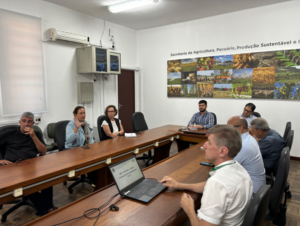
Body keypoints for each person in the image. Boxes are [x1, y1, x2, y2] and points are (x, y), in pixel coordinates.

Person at [160, 125, 252, 226]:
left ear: (222, 151)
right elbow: (209, 185)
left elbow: (216, 185)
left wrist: (190, 209)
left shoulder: (217, 183)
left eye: (209, 142)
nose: (204, 145)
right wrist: (179, 185)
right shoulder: (238, 167)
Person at [0, 112, 57, 216]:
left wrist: (34, 136)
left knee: (48, 178)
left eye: (29, 121)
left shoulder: (36, 134)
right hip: (13, 166)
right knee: (27, 184)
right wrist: (0, 160)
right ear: (20, 122)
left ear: (33, 123)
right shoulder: (9, 134)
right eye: (24, 121)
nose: (26, 124)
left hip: (32, 164)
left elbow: (43, 151)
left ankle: (46, 208)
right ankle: (47, 209)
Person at [227, 116, 266, 193]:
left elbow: (227, 167)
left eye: (229, 128)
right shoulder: (248, 138)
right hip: (254, 184)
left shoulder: (243, 146)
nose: (227, 131)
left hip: (252, 191)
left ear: (240, 128)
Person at [65, 106, 97, 184]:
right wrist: (76, 128)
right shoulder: (70, 125)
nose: (83, 115)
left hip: (85, 148)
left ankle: (96, 181)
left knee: (98, 159)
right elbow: (69, 140)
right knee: (91, 163)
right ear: (75, 115)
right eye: (81, 113)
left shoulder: (86, 123)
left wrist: (93, 147)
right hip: (74, 150)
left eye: (84, 113)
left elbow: (90, 138)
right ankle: (94, 182)